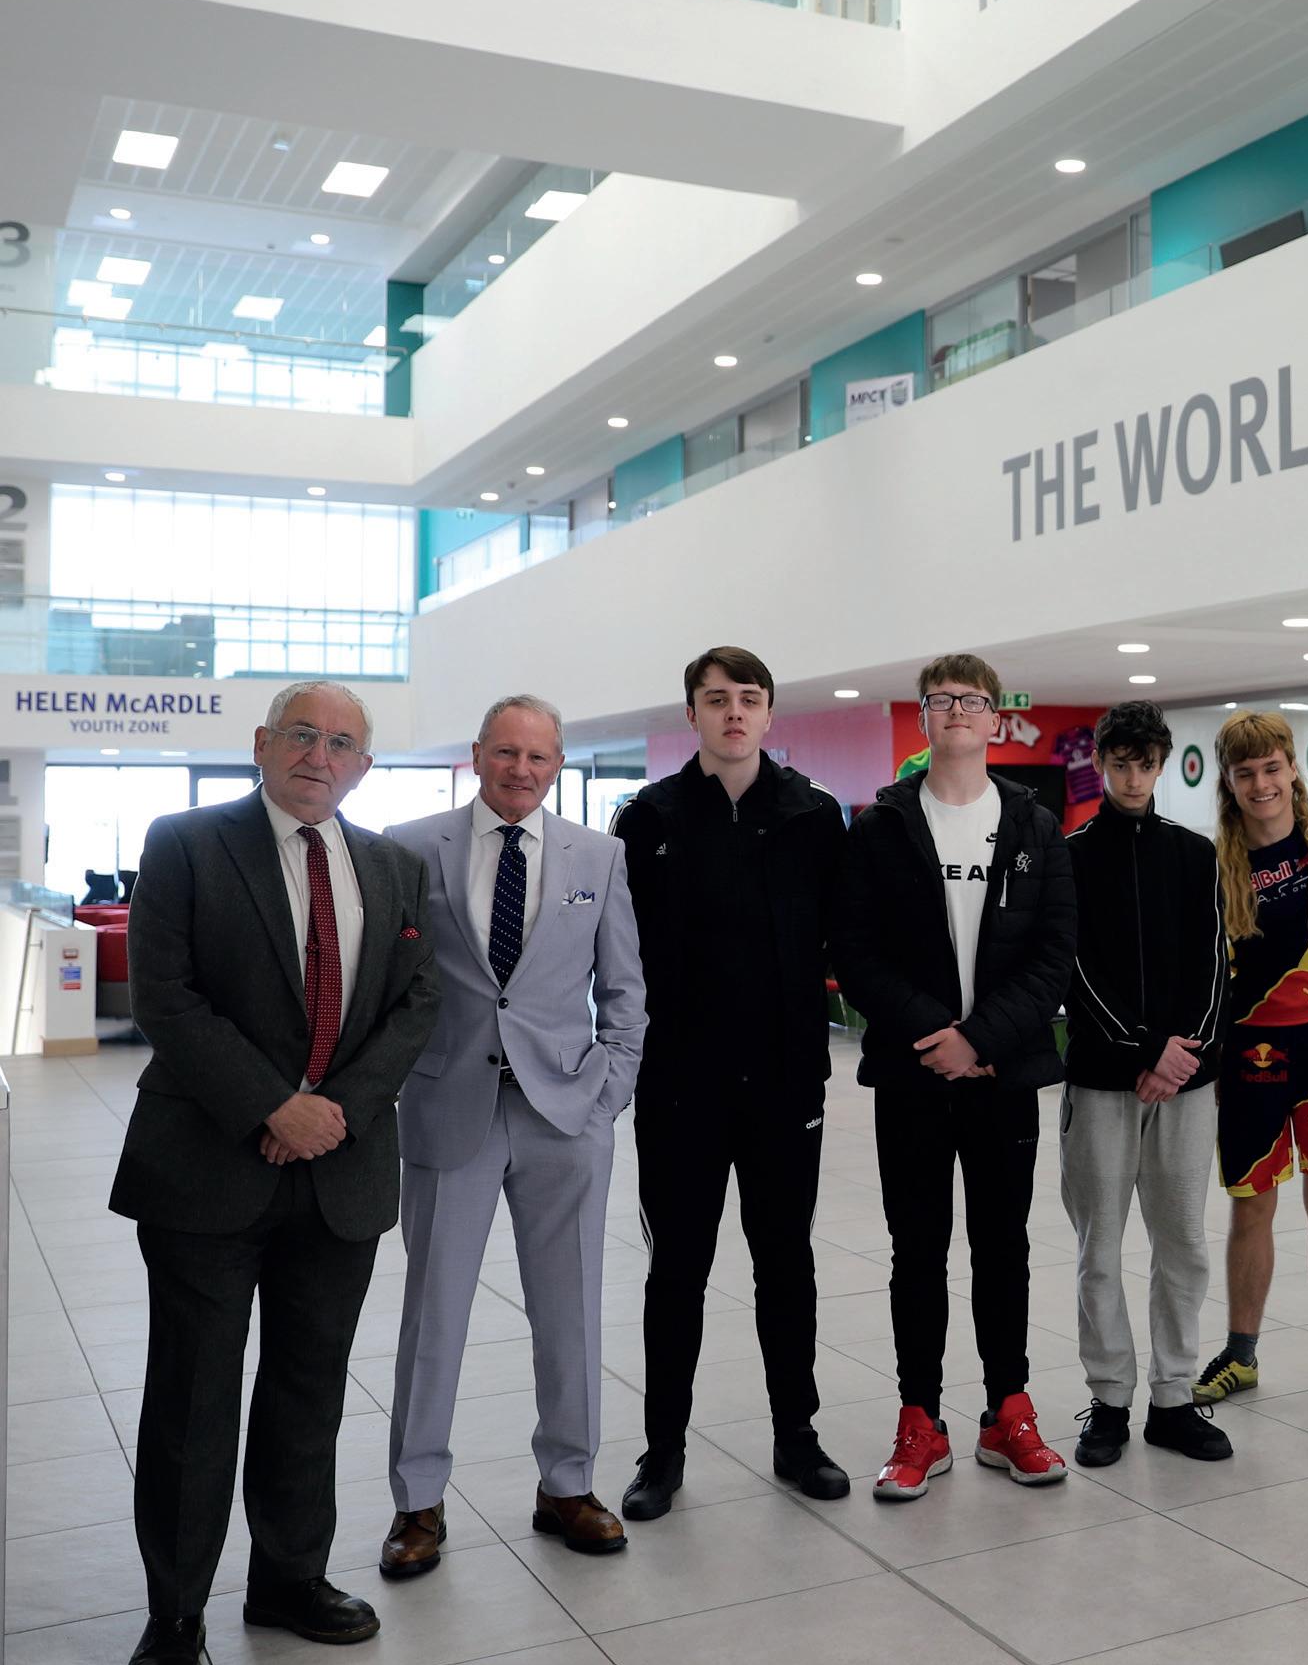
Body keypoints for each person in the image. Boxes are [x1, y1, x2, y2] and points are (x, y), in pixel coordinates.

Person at [114, 683, 439, 1665]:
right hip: (207, 1166)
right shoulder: (186, 842)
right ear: (262, 744)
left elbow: (417, 1001)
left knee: (309, 1388)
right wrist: (271, 1105)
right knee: (194, 1397)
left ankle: (289, 1578)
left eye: (341, 741)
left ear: (363, 766)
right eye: (302, 734)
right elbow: (165, 995)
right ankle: (174, 1614)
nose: (318, 753)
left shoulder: (393, 866)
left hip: (340, 1172)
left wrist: (334, 1110)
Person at [382, 696, 648, 1577]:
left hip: (563, 1112)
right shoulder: (412, 847)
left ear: (558, 764)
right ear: (476, 755)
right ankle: (417, 1500)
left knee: (571, 1309)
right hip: (448, 1107)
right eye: (505, 752)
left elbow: (625, 989)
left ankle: (567, 1483)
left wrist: (607, 1094)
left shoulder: (597, 855)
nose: (521, 769)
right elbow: (387, 981)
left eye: (538, 756)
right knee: (435, 1312)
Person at [834, 653, 1078, 1500]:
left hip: (1001, 1075)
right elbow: (854, 951)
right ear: (924, 717)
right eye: (942, 700)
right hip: (912, 1077)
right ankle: (919, 1420)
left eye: (972, 700)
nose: (958, 712)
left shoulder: (1034, 826)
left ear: (994, 717)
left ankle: (1007, 1411)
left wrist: (978, 1038)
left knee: (1003, 1246)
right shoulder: (882, 825)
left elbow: (1054, 955)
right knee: (916, 1251)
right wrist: (932, 1036)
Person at [615, 648, 851, 1517]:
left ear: (769, 713)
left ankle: (798, 1435)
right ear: (693, 714)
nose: (734, 713)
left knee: (785, 1265)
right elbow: (618, 953)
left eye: (749, 698)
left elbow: (846, 937)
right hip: (679, 1089)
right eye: (717, 699)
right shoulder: (649, 817)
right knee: (676, 1272)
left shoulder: (813, 815)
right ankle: (662, 1452)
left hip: (785, 1086)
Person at [1193, 711, 1308, 1411]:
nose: (1260, 784)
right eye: (1245, 773)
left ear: (1291, 767)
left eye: (1271, 768)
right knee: (1251, 1209)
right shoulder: (1215, 863)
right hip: (1252, 1060)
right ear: (1229, 781)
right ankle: (1240, 1354)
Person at [1062, 700, 1231, 1467]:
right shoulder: (1068, 855)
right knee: (1099, 1247)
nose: (1133, 777)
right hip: (1101, 1081)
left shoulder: (1193, 854)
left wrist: (1179, 1054)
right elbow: (1071, 968)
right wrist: (1143, 1048)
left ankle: (1173, 1397)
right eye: (1120, 763)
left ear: (1162, 765)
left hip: (1186, 1084)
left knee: (1183, 1242)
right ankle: (1108, 1399)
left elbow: (1213, 964)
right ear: (1102, 764)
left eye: (1145, 763)